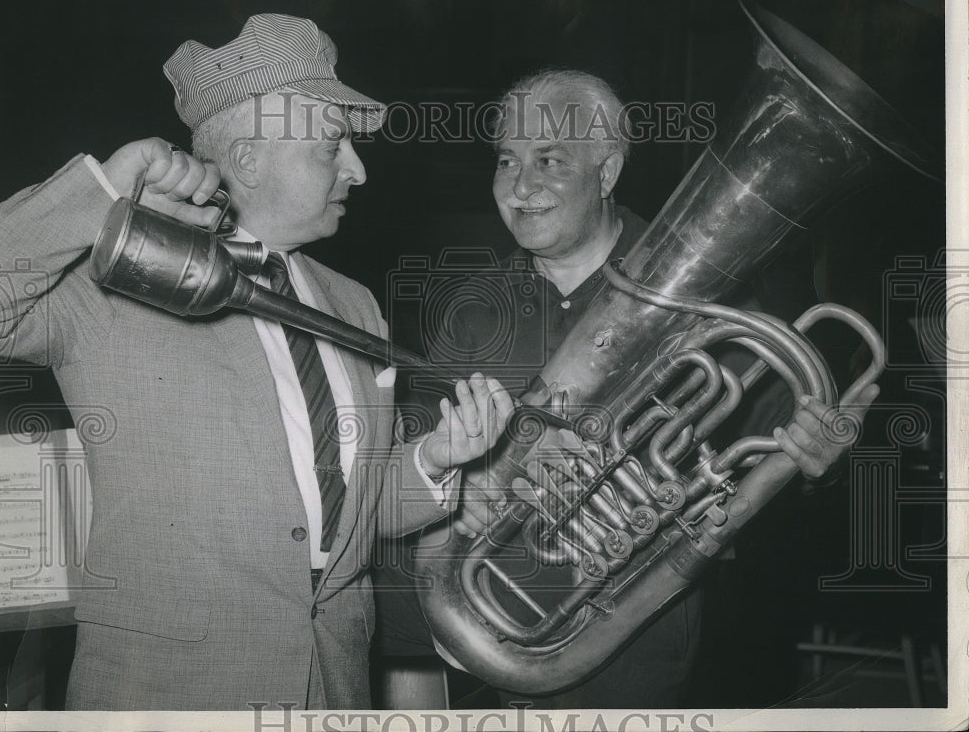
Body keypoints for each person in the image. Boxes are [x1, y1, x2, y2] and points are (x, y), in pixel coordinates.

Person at [0, 13, 513, 711]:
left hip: (335, 680)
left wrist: (435, 461)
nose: (358, 169)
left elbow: (350, 515)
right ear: (247, 161)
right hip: (168, 693)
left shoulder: (353, 303)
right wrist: (103, 189)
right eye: (335, 147)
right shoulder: (106, 277)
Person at [371, 69, 878, 709]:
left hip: (630, 659)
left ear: (606, 172)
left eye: (548, 161)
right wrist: (456, 490)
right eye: (507, 161)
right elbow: (403, 472)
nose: (520, 187)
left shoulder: (716, 306)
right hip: (467, 654)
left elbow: (780, 458)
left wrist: (816, 461)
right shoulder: (469, 311)